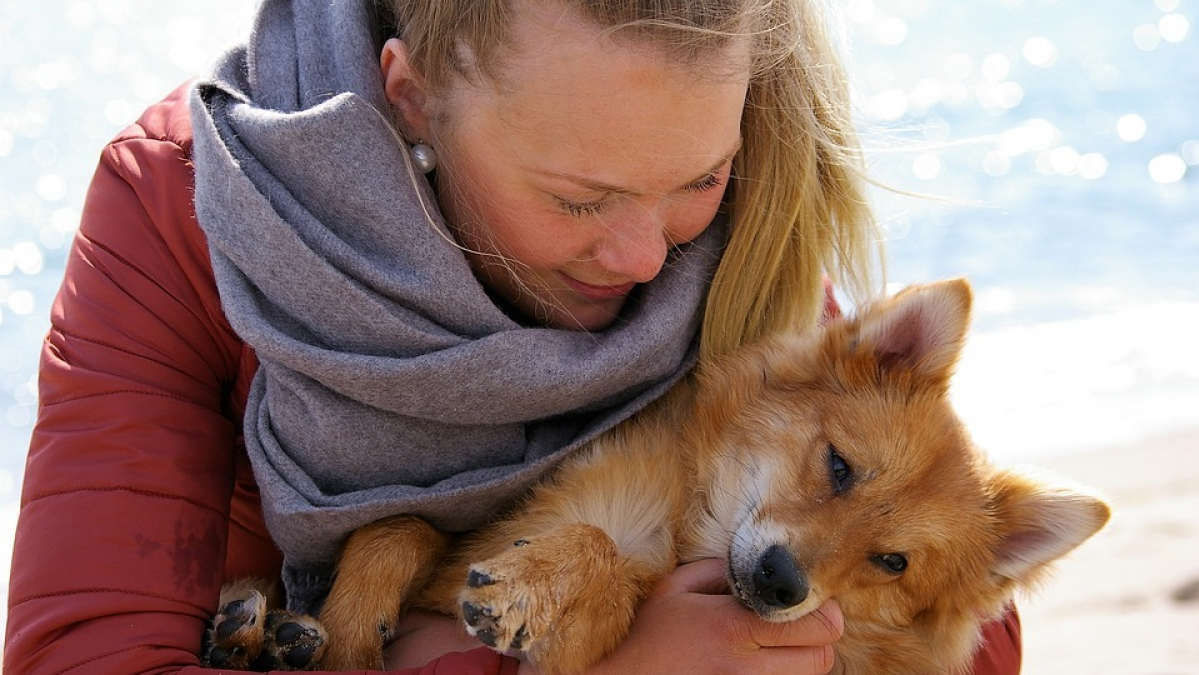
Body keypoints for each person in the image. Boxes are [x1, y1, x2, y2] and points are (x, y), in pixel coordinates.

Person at [3, 0, 1021, 673]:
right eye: (579, 200)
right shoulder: (185, 207)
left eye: (698, 180)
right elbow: (83, 655)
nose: (643, 259)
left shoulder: (747, 229)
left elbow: (975, 629)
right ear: (414, 100)